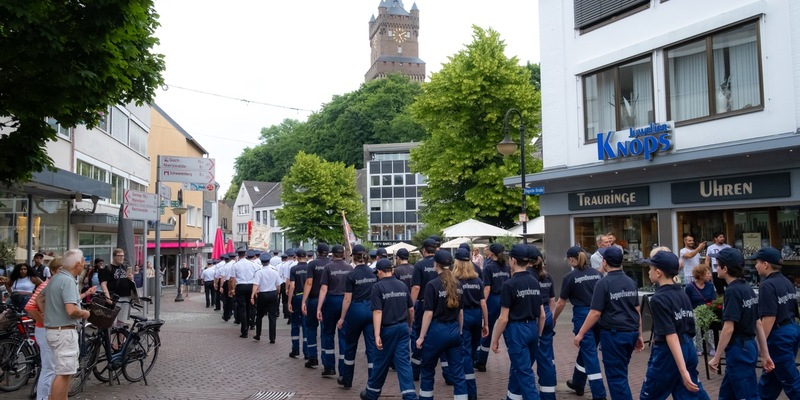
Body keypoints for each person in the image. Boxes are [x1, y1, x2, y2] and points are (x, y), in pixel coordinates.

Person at [574, 246, 643, 400]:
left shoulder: (603, 283)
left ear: (604, 262)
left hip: (614, 335)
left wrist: (581, 333)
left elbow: (595, 313)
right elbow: (637, 310)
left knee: (616, 378)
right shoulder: (631, 282)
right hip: (630, 333)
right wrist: (639, 334)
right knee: (621, 373)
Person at [640, 250, 709, 399]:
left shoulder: (658, 299)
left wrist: (683, 371)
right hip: (688, 347)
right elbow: (689, 326)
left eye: (650, 268)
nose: (648, 271)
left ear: (658, 272)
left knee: (650, 395)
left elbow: (670, 334)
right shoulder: (682, 293)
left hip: (668, 353)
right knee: (690, 393)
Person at [708, 248, 774, 399]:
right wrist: (764, 353)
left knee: (748, 395)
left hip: (739, 349)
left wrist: (717, 357)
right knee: (726, 395)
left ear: (725, 269)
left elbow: (728, 328)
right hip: (748, 346)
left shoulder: (732, 292)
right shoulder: (747, 288)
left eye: (717, 265)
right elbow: (757, 323)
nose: (715, 268)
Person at [490, 244, 545, 400]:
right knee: (519, 368)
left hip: (517, 330)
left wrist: (494, 339)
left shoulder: (509, 284)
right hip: (532, 328)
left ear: (513, 260)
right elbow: (542, 315)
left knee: (524, 373)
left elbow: (503, 318)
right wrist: (539, 335)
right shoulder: (534, 281)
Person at [359, 257, 416, 400]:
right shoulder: (402, 285)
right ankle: (409, 395)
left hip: (387, 329)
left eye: (376, 273)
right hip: (402, 327)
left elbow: (377, 311)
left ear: (379, 271)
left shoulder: (377, 287)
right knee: (403, 363)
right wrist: (409, 325)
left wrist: (377, 334)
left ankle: (371, 393)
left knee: (380, 362)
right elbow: (411, 309)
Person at [553, 246, 605, 399]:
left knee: (589, 354)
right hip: (599, 315)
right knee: (586, 350)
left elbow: (561, 303)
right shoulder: (597, 274)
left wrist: (554, 318)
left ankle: (599, 393)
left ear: (571, 259)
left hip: (582, 317)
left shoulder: (569, 277)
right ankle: (578, 382)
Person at [416, 250, 467, 400]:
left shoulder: (432, 285)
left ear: (435, 264)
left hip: (437, 331)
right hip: (454, 330)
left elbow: (428, 314)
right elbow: (461, 313)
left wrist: (421, 337)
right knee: (458, 373)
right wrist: (460, 331)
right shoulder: (458, 284)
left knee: (427, 369)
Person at [751, 246, 800, 399]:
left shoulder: (767, 285)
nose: (755, 266)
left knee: (791, 380)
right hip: (791, 329)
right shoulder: (787, 282)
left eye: (757, 262)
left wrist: (760, 345)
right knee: (770, 378)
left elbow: (769, 317)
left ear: (766, 264)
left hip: (779, 336)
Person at [42, 249, 91, 400]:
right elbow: (71, 310)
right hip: (64, 332)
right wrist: (84, 313)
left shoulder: (56, 278)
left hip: (54, 331)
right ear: (77, 264)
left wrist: (48, 315)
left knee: (65, 372)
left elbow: (39, 299)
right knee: (63, 374)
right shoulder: (68, 280)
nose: (84, 265)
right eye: (83, 262)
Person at [337, 244, 377, 389]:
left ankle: (347, 379)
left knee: (350, 346)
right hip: (371, 310)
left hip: (356, 310)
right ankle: (372, 382)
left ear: (353, 257)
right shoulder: (374, 273)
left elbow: (347, 299)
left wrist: (342, 318)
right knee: (371, 348)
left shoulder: (351, 275)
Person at [453, 248, 488, 400]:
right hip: (477, 315)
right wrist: (486, 323)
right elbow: (483, 304)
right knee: (473, 349)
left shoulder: (455, 281)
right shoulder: (478, 280)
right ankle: (469, 376)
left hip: (463, 315)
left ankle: (470, 389)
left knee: (465, 352)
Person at [316, 244, 352, 377]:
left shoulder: (328, 267)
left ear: (332, 254)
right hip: (345, 302)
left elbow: (324, 289)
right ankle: (344, 369)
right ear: (343, 254)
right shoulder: (349, 268)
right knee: (343, 335)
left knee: (328, 334)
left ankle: (329, 366)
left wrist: (319, 307)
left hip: (331, 301)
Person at [527, 245, 557, 399]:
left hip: (533, 317)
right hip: (547, 314)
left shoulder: (527, 276)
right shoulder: (547, 277)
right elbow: (553, 301)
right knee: (546, 358)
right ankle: (548, 395)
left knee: (525, 359)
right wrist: (550, 318)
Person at [475, 243, 509, 372]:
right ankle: (513, 358)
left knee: (487, 329)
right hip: (505, 299)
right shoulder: (506, 267)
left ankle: (481, 361)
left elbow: (487, 288)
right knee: (506, 329)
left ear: (491, 253)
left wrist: (482, 302)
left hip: (493, 300)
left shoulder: (489, 268)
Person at [410, 238, 439, 380]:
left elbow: (416, 287)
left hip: (423, 303)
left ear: (424, 250)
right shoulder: (441, 264)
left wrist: (411, 305)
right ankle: (447, 374)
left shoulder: (420, 265)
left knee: (419, 334)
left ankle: (415, 371)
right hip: (441, 302)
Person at [301, 243, 331, 368]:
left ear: (317, 252)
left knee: (311, 328)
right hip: (328, 299)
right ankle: (327, 361)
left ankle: (312, 357)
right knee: (326, 330)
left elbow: (309, 282)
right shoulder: (331, 263)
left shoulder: (312, 264)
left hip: (314, 298)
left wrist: (304, 300)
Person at [98, 248, 135, 326]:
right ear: (114, 256)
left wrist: (131, 278)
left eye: (123, 256)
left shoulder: (125, 267)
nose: (121, 257)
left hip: (125, 298)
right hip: (114, 298)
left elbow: (130, 281)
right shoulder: (108, 268)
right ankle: (111, 338)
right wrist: (108, 298)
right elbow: (103, 284)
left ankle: (121, 338)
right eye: (119, 256)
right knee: (112, 323)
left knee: (122, 323)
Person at [685, 264, 716, 356]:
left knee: (710, 320)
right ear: (701, 275)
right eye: (707, 273)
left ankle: (712, 346)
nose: (710, 275)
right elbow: (687, 302)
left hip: (707, 310)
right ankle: (698, 347)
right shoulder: (690, 287)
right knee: (696, 320)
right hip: (694, 311)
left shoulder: (710, 286)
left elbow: (713, 300)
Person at [251, 252, 282, 342]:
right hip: (273, 294)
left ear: (261, 261)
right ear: (269, 261)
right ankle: (272, 338)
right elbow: (278, 285)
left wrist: (252, 296)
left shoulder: (259, 272)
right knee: (272, 316)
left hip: (262, 295)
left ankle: (258, 334)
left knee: (259, 315)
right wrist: (278, 293)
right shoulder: (274, 272)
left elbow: (255, 285)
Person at [288, 248, 310, 359]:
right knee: (306, 324)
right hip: (307, 297)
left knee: (295, 324)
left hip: (297, 297)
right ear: (305, 256)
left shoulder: (293, 269)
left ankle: (295, 349)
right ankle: (307, 352)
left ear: (296, 257)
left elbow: (292, 286)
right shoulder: (310, 268)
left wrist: (289, 301)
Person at [230, 248, 256, 338]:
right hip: (250, 286)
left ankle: (244, 330)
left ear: (238, 255)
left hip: (240, 286)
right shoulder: (252, 264)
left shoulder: (235, 265)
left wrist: (232, 289)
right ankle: (250, 324)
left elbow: (232, 279)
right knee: (250, 307)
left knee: (242, 308)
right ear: (245, 254)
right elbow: (256, 276)